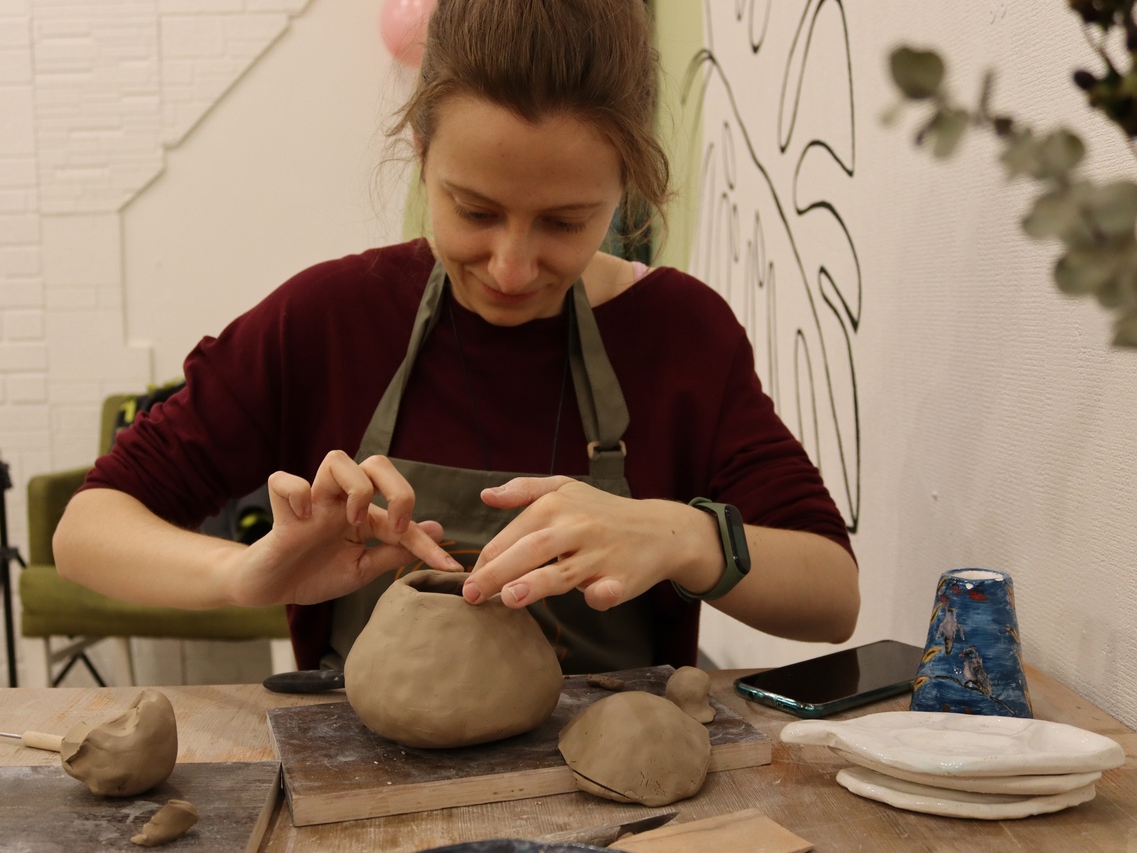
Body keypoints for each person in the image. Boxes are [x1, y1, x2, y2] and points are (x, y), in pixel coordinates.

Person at [53, 0, 859, 674]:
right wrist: (245, 574)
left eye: (564, 222)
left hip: (617, 788)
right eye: (475, 211)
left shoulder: (681, 334)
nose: (511, 266)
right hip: (362, 783)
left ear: (625, 188)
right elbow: (88, 529)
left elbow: (833, 595)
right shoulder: (329, 321)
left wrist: (683, 536)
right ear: (421, 151)